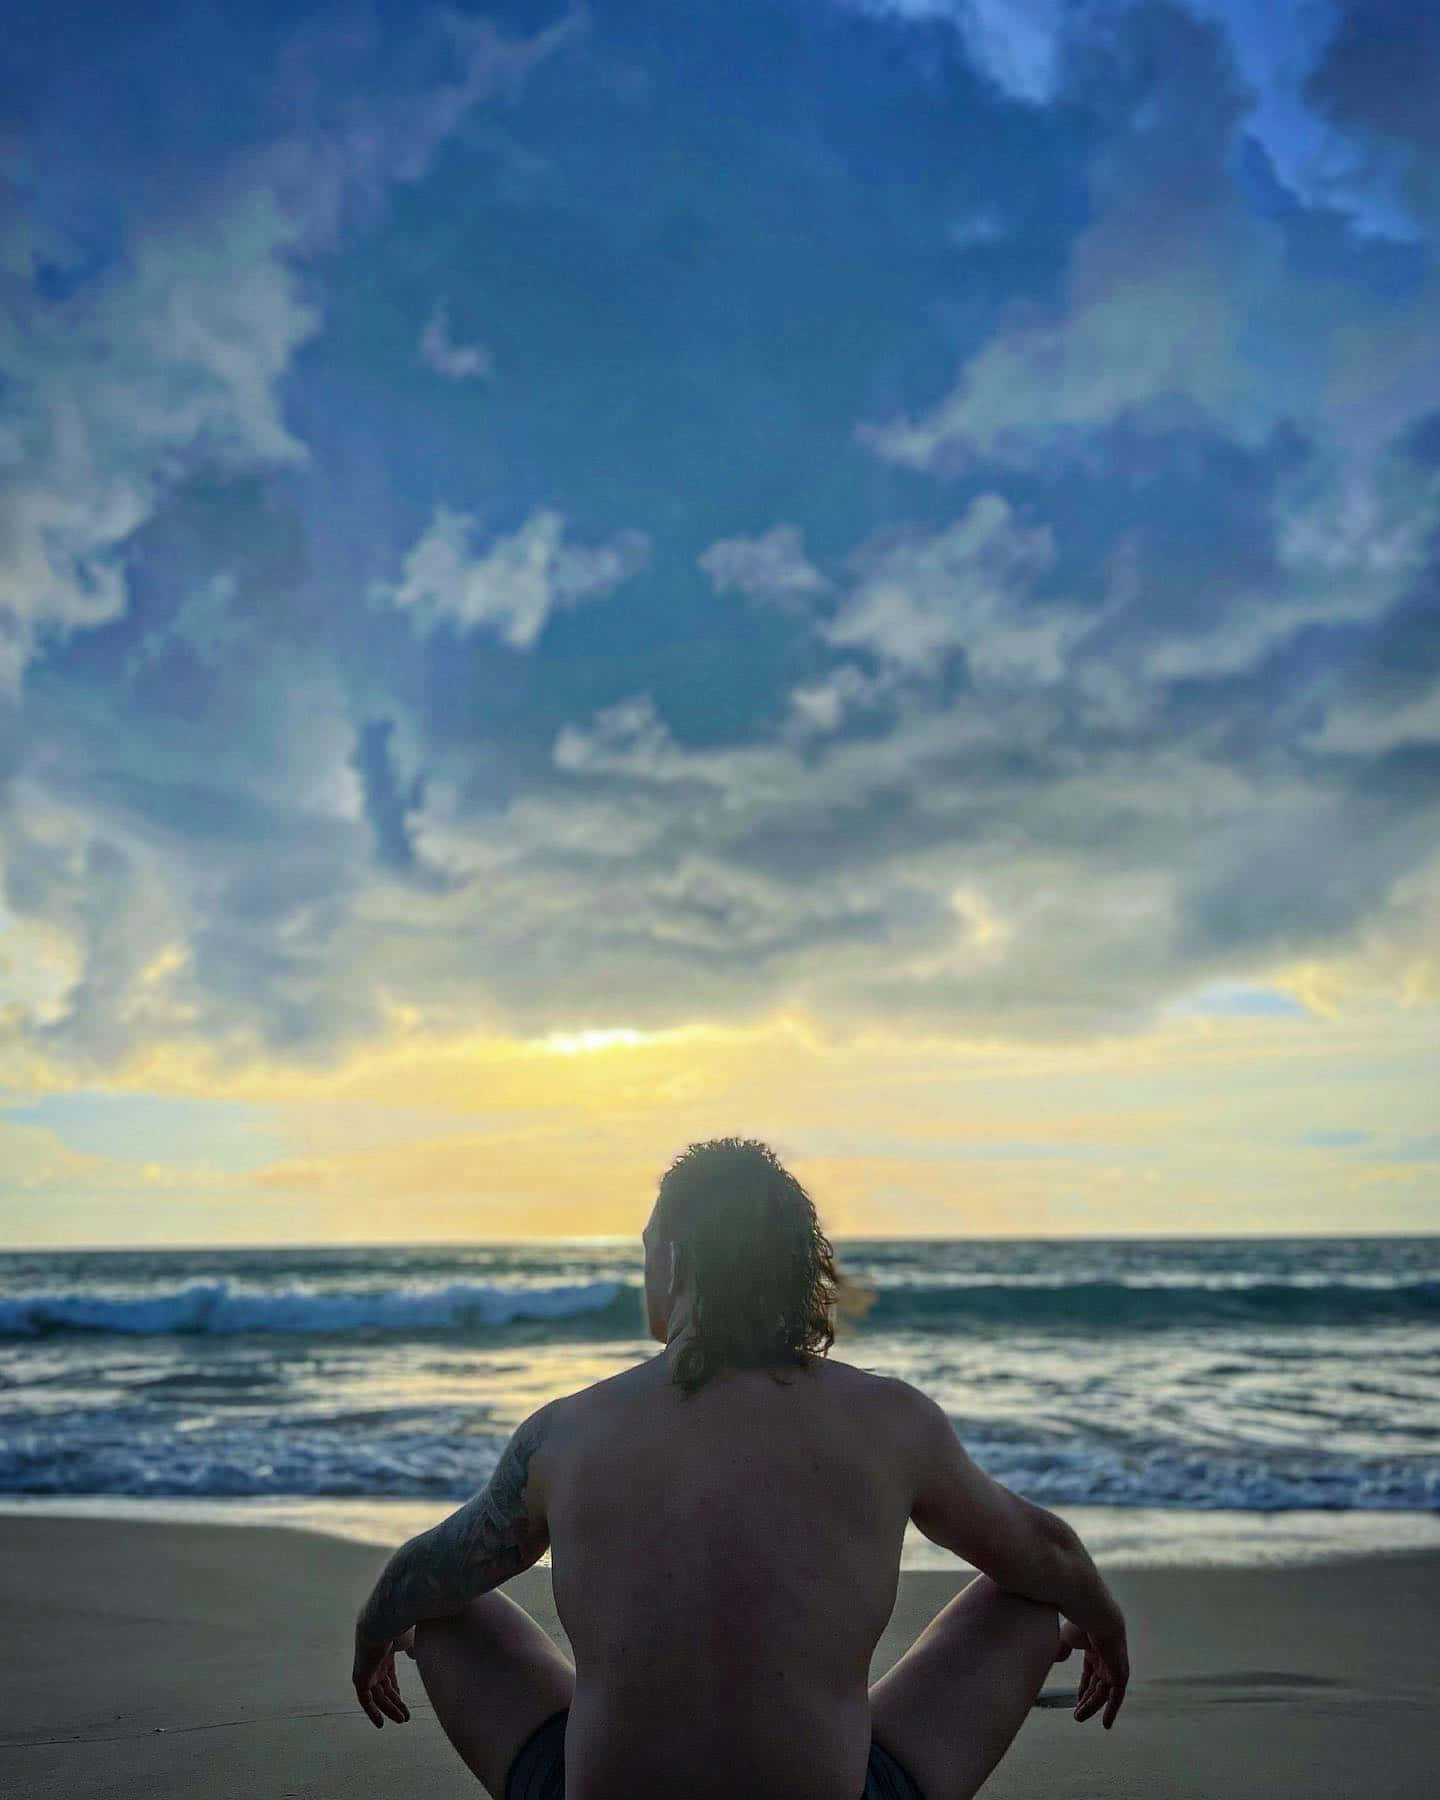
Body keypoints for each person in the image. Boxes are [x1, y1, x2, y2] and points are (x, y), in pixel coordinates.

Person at [351, 1137, 1130, 1800]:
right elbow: (1045, 1553)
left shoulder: (569, 1431)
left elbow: (430, 1568)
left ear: (677, 1261)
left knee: (439, 1608)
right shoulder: (889, 1419)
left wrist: (376, 1628)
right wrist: (1103, 1622)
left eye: (647, 1251)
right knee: (1029, 1603)